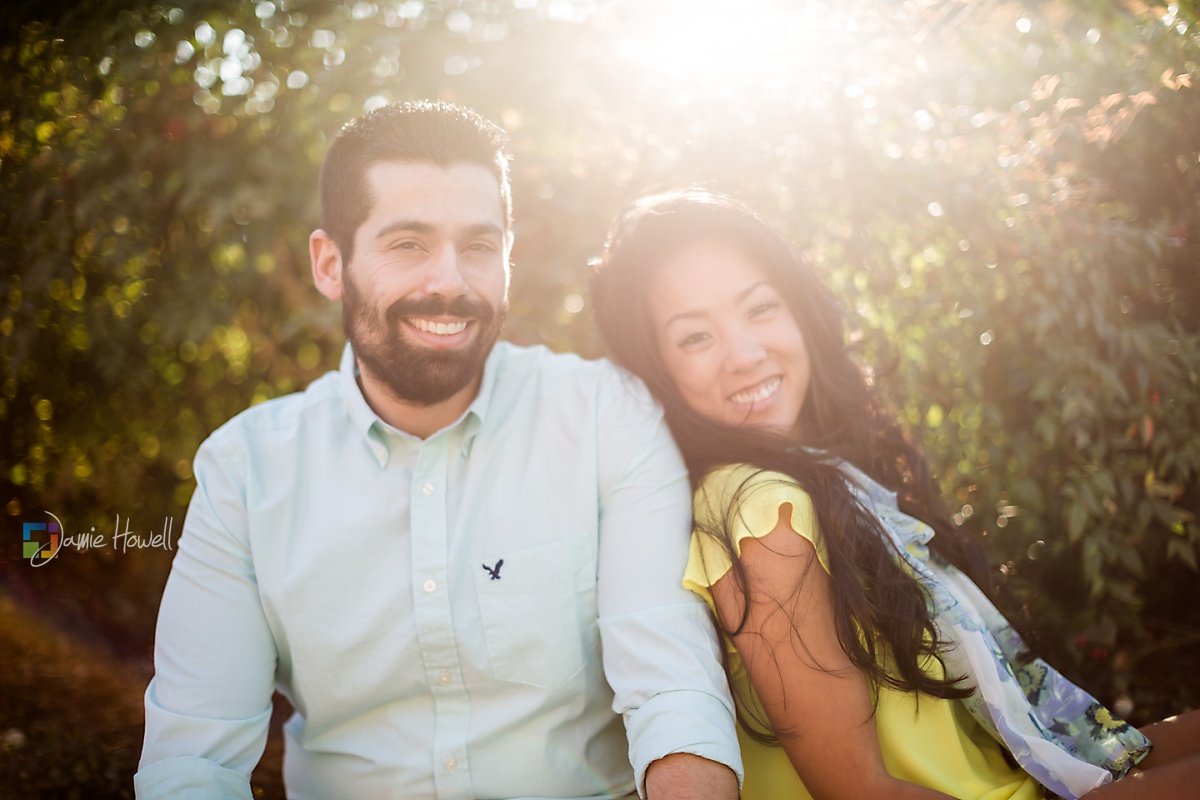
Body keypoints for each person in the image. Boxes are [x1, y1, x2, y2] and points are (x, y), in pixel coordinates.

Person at [135, 103, 743, 800]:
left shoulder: (607, 417)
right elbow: (196, 757)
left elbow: (674, 693)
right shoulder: (247, 473)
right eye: (408, 245)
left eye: (479, 246)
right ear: (331, 265)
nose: (449, 281)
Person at [590, 188, 1200, 800]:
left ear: (799, 310)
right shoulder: (757, 504)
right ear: (658, 372)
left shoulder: (833, 475)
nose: (746, 355)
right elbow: (858, 791)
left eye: (761, 308)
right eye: (696, 338)